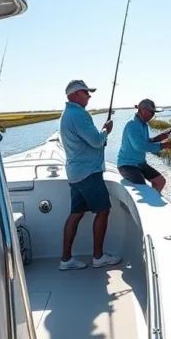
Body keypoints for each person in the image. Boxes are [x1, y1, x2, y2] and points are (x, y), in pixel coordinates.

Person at [58, 79, 119, 270]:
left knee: (76, 214)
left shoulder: (68, 114)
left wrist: (100, 136)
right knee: (103, 210)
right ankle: (98, 257)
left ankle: (66, 259)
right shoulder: (79, 115)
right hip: (88, 173)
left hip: (75, 173)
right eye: (86, 92)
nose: (89, 96)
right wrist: (106, 130)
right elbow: (95, 140)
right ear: (75, 94)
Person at [117, 98, 171, 192]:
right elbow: (139, 146)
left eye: (154, 112)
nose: (153, 115)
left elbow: (144, 141)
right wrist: (162, 146)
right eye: (151, 112)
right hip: (127, 165)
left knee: (160, 181)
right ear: (141, 110)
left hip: (141, 163)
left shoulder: (144, 124)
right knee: (142, 188)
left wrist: (157, 138)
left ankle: (154, 201)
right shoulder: (132, 124)